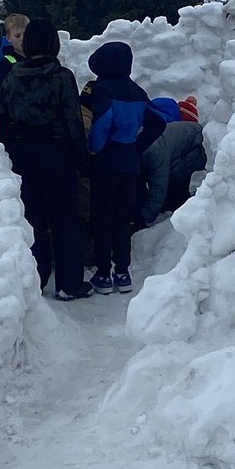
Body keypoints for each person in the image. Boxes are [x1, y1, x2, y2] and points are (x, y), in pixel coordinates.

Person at [0, 19, 92, 302]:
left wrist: (7, 158)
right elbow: (73, 122)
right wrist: (82, 161)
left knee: (33, 220)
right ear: (53, 43)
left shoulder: (12, 77)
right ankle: (69, 283)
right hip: (57, 155)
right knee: (65, 220)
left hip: (22, 157)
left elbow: (5, 121)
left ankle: (35, 281)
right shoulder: (61, 76)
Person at [85, 42, 166, 294]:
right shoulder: (137, 92)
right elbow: (159, 121)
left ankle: (102, 274)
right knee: (122, 219)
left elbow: (102, 126)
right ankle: (123, 272)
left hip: (105, 162)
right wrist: (136, 146)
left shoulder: (102, 89)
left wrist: (93, 150)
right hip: (129, 163)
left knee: (101, 217)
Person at [136, 119, 207, 227]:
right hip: (184, 143)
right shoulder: (143, 143)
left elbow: (159, 185)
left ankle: (181, 210)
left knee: (171, 187)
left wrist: (145, 217)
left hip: (197, 145)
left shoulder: (153, 152)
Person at [0, 13, 29, 123]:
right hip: (14, 117)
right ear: (9, 38)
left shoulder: (38, 59)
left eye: (26, 34)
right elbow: (3, 94)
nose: (22, 39)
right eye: (17, 36)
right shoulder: (5, 64)